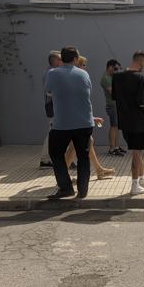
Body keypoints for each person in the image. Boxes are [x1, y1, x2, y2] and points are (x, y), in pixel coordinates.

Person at [44, 46, 102, 199]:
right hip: (84, 122)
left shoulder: (52, 73)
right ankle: (82, 191)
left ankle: (66, 188)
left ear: (62, 59)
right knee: (83, 156)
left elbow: (49, 92)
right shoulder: (84, 73)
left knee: (56, 154)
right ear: (76, 59)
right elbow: (87, 91)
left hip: (62, 123)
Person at [64, 56, 115, 180]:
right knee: (74, 146)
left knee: (88, 141)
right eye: (83, 65)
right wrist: (90, 118)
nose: (85, 67)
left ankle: (99, 170)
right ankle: (63, 175)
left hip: (77, 119)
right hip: (74, 120)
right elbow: (77, 104)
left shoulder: (76, 79)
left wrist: (91, 118)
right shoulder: (76, 80)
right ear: (77, 65)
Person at [112, 51, 144, 194]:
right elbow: (141, 102)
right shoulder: (142, 79)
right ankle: (135, 185)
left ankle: (141, 180)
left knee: (137, 152)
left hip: (124, 121)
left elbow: (115, 97)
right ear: (141, 62)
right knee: (136, 153)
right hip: (138, 122)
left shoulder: (117, 77)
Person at [40, 50, 62, 169]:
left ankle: (48, 158)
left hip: (55, 105)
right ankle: (44, 159)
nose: (61, 61)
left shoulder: (53, 72)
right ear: (54, 61)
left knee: (54, 132)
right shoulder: (50, 73)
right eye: (59, 59)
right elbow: (50, 91)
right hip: (53, 105)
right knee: (52, 132)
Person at [101, 59, 126, 156]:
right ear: (110, 67)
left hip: (117, 104)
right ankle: (112, 148)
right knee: (113, 126)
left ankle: (116, 146)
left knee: (117, 126)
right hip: (112, 104)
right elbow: (113, 92)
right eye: (115, 68)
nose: (116, 71)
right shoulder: (105, 78)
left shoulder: (112, 77)